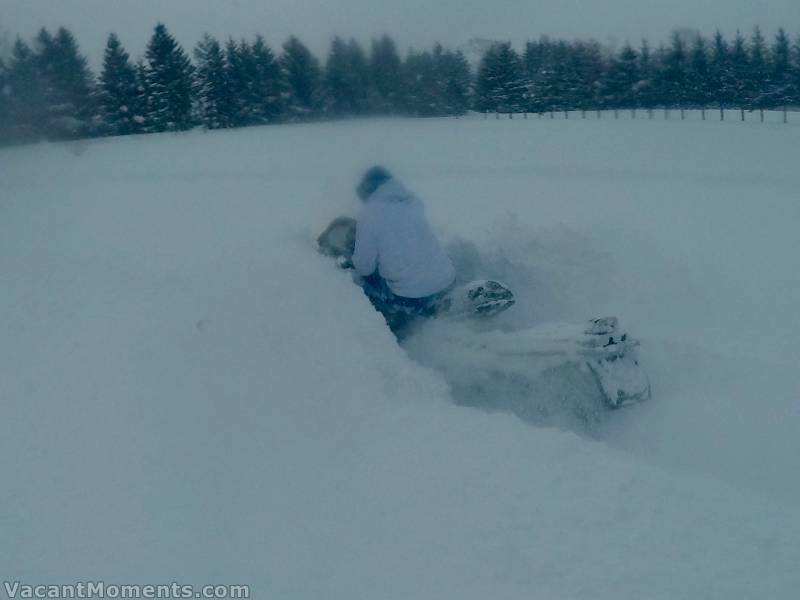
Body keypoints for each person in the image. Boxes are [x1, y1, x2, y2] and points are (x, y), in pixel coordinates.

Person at [351, 166, 456, 336]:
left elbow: (364, 267)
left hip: (412, 297)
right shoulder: (412, 202)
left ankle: (389, 328)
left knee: (368, 284)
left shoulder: (369, 213)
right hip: (447, 282)